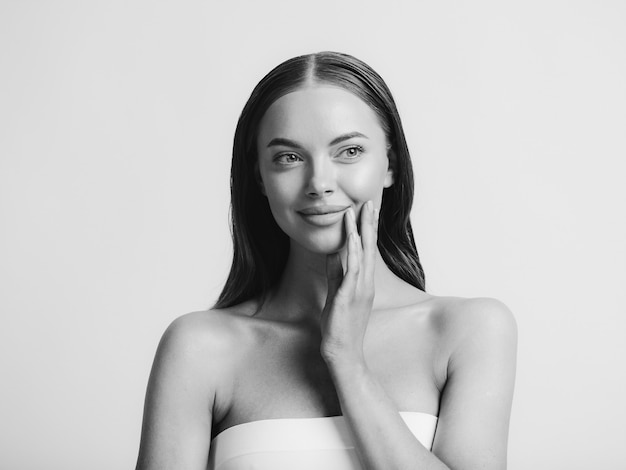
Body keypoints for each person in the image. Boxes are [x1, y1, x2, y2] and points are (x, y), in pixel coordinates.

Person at [135, 51, 517, 470]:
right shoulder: (200, 347)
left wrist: (346, 359)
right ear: (260, 177)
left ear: (390, 164)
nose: (318, 183)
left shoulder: (470, 330)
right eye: (289, 157)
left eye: (349, 151)